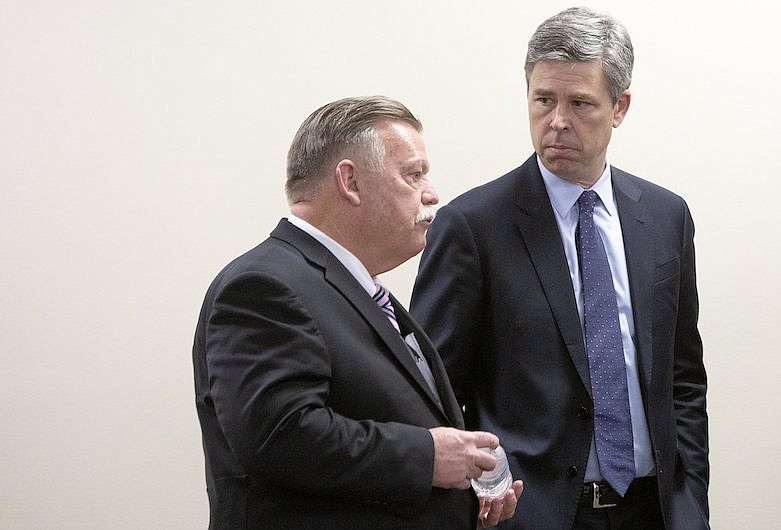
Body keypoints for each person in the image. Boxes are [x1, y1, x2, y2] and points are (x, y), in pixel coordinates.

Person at [410, 7, 709, 529]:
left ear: (620, 107)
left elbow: (682, 377)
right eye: (543, 100)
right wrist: (481, 498)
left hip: (655, 510)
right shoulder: (473, 226)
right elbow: (434, 392)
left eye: (580, 103)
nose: (557, 121)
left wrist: (690, 500)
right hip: (531, 516)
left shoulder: (666, 217)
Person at [192, 95, 522, 529]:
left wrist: (458, 503)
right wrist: (429, 457)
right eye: (413, 174)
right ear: (349, 181)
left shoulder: (355, 289)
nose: (431, 193)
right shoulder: (263, 286)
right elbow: (279, 435)